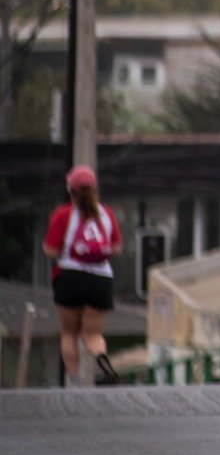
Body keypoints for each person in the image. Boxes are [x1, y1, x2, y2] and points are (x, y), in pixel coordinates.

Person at [42, 165, 122, 386]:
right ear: (95, 188)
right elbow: (116, 248)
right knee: (92, 334)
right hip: (101, 280)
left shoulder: (63, 214)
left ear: (71, 190)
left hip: (69, 277)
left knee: (69, 332)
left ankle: (75, 382)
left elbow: (51, 250)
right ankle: (101, 358)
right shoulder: (107, 214)